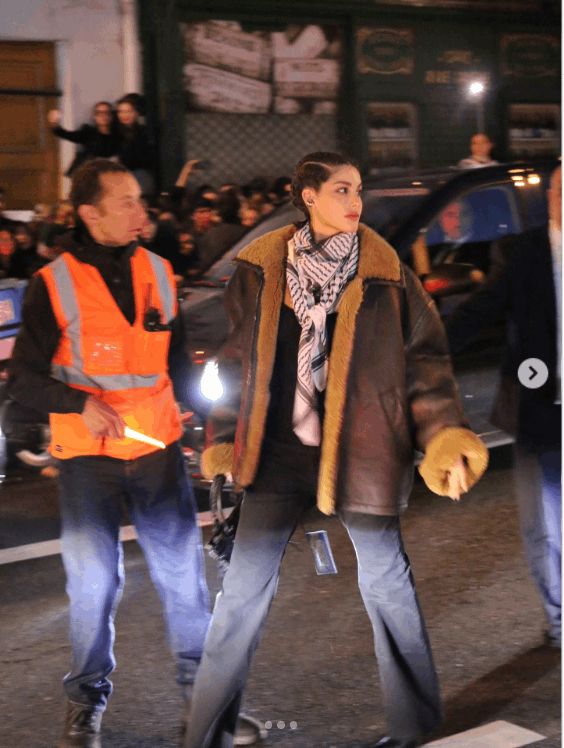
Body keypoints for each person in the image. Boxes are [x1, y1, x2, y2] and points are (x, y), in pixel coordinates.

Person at [183, 152, 488, 748]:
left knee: (389, 587)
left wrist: (443, 437)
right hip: (275, 455)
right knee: (239, 598)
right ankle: (204, 735)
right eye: (342, 190)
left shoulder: (385, 273)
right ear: (309, 197)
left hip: (362, 452)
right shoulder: (261, 269)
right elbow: (238, 362)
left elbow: (425, 366)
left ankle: (415, 728)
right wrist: (224, 439)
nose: (355, 202)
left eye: (358, 191)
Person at [6, 159, 213, 748]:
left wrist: (211, 429)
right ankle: (84, 704)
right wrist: (78, 403)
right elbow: (23, 380)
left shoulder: (161, 272)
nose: (141, 211)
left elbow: (176, 364)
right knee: (93, 587)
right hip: (87, 461)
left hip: (158, 454)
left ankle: (205, 700)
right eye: (126, 202)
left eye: (139, 199)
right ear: (89, 214)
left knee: (184, 581)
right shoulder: (53, 283)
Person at [446, 165, 562, 649]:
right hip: (542, 408)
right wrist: (422, 352)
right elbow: (478, 312)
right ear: (549, 196)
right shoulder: (524, 252)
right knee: (547, 525)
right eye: (560, 191)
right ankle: (560, 619)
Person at [48, 102, 119, 175]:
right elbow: (67, 135)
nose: (103, 116)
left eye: (106, 113)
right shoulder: (88, 132)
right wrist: (54, 124)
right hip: (88, 172)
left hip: (108, 173)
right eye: (99, 113)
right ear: (94, 116)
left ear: (111, 116)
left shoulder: (117, 135)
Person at [115, 94, 155, 196]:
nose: (124, 115)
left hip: (138, 176)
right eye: (121, 111)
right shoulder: (114, 132)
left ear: (137, 113)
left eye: (129, 111)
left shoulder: (144, 133)